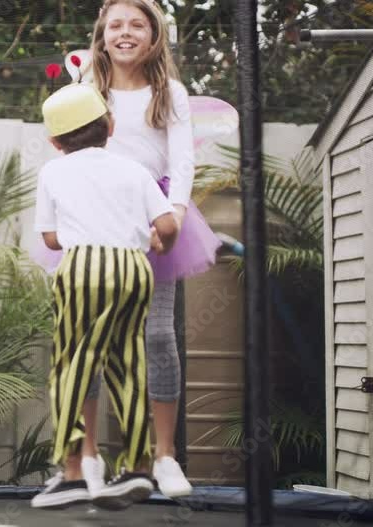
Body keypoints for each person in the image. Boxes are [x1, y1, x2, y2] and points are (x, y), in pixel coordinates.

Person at [79, 0, 222, 499]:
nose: (125, 32)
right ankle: (88, 456)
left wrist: (176, 214)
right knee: (90, 338)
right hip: (96, 220)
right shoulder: (86, 90)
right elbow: (72, 151)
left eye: (136, 24)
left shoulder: (171, 92)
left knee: (158, 335)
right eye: (115, 24)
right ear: (102, 35)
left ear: (154, 36)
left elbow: (182, 161)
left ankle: (166, 458)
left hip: (155, 218)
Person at [29, 83, 180, 511]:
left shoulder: (52, 172)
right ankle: (136, 467)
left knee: (72, 364)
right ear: (109, 127)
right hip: (134, 268)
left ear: (55, 142)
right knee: (127, 362)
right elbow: (167, 225)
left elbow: (52, 239)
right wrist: (159, 243)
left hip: (84, 269)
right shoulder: (134, 170)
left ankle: (74, 472)